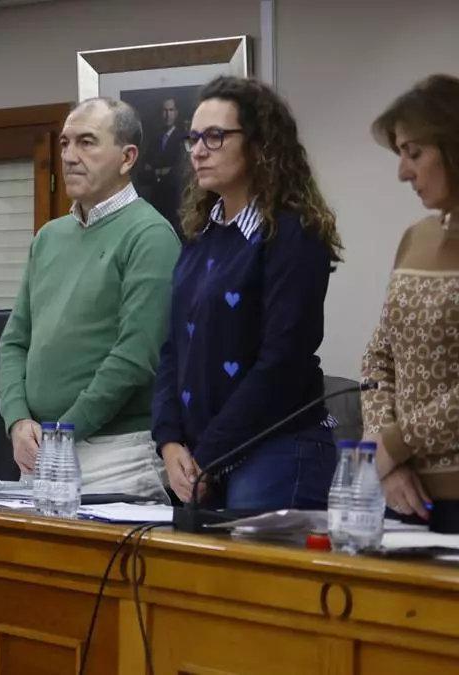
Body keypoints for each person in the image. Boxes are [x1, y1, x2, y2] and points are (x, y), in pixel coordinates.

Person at [152, 76, 345, 510]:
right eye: (193, 138)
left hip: (275, 449)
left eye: (215, 137)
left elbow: (282, 361)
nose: (198, 150)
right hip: (201, 457)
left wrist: (208, 454)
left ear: (260, 144)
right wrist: (168, 441)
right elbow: (172, 350)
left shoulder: (293, 234)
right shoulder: (202, 235)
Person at [0, 97, 180, 501]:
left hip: (117, 454)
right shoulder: (49, 237)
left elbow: (135, 356)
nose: (69, 156)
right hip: (39, 449)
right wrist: (16, 420)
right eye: (64, 143)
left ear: (127, 157)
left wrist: (63, 431)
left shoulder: (149, 235)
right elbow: (13, 341)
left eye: (87, 142)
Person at [362, 74, 459, 521]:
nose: (404, 173)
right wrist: (388, 459)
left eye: (415, 154)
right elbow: (379, 358)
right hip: (402, 495)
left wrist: (394, 444)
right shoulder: (415, 238)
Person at [140, 97, 187, 228]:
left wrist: (156, 170)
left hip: (175, 199)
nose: (167, 115)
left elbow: (180, 169)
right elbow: (144, 169)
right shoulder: (155, 138)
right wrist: (161, 171)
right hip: (156, 198)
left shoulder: (183, 137)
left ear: (176, 112)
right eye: (165, 110)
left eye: (171, 110)